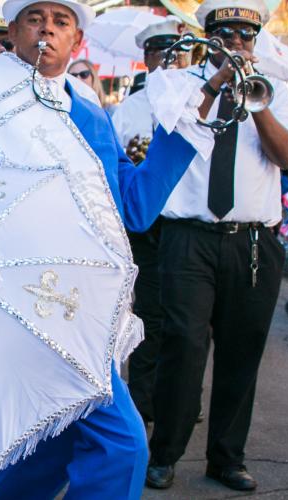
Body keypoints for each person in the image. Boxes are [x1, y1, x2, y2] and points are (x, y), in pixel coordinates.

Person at [0, 0, 195, 496]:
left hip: (80, 302)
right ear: (14, 32)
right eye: (35, 17)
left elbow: (132, 208)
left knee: (53, 442)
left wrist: (182, 130)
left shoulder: (89, 114)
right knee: (123, 444)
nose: (47, 27)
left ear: (76, 42)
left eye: (61, 20)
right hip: (14, 305)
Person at [142, 0, 288, 491]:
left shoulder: (274, 93)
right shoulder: (175, 83)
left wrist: (258, 103)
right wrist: (216, 83)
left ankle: (228, 457)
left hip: (252, 241)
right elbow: (176, 130)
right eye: (226, 35)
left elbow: (287, 154)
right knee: (183, 346)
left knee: (243, 349)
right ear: (209, 39)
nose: (236, 44)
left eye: (245, 37)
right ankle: (165, 450)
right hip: (189, 236)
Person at [111, 16, 181, 430]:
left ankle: (178, 395)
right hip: (149, 225)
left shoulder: (198, 105)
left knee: (187, 321)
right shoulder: (130, 108)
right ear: (147, 58)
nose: (170, 61)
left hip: (188, 224)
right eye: (160, 53)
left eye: (178, 52)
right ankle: (144, 400)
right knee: (150, 315)